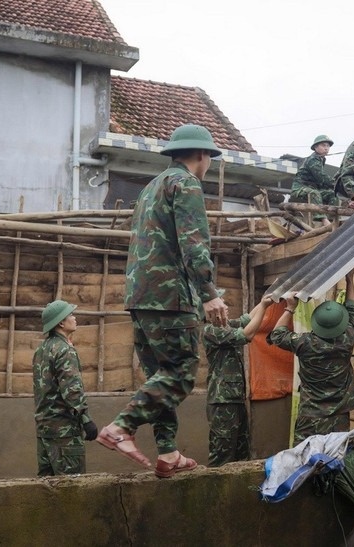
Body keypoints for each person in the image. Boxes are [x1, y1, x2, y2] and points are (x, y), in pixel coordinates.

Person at [98, 123, 229, 479]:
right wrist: (210, 295)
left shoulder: (150, 188)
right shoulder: (186, 184)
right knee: (180, 373)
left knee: (160, 376)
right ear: (203, 156)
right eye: (210, 158)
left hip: (140, 297)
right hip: (170, 296)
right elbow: (193, 244)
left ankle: (168, 453)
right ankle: (120, 427)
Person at [267, 271, 354, 445]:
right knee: (335, 457)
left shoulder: (305, 343)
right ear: (341, 323)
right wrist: (350, 280)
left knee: (302, 458)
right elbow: (353, 310)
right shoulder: (348, 338)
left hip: (311, 416)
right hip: (339, 415)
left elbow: (277, 335)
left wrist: (290, 307)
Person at [204, 295, 273, 467]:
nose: (226, 307)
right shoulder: (212, 331)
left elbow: (247, 318)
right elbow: (247, 335)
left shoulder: (226, 326)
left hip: (233, 398)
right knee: (223, 452)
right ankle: (215, 488)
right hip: (222, 401)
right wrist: (264, 307)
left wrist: (264, 301)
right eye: (222, 307)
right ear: (212, 314)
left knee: (241, 448)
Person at [33, 299, 97, 476]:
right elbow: (72, 390)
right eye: (71, 315)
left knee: (46, 488)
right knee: (71, 488)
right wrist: (86, 420)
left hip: (44, 430)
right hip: (64, 432)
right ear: (61, 322)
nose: (75, 318)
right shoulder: (65, 350)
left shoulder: (42, 349)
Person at [290, 135, 340, 227]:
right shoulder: (313, 159)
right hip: (300, 188)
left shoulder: (321, 159)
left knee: (332, 194)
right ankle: (324, 220)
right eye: (323, 145)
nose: (326, 148)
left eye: (328, 146)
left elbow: (321, 182)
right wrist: (337, 183)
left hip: (312, 187)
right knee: (315, 193)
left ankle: (332, 219)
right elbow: (321, 178)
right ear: (316, 147)